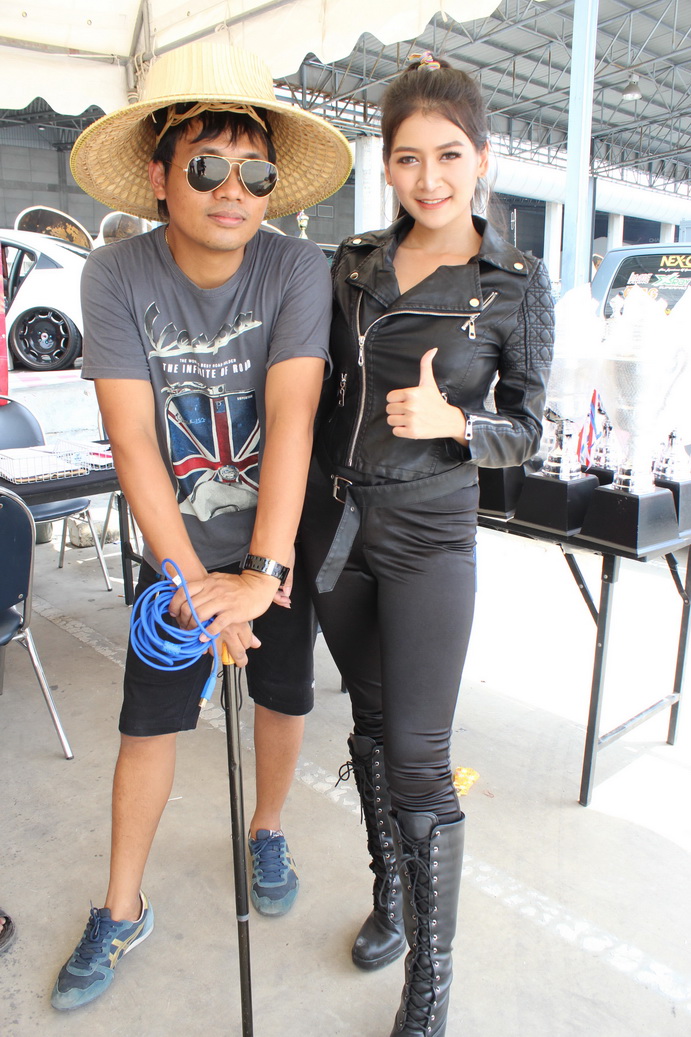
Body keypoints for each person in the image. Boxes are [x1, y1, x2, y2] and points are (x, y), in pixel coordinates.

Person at [51, 37, 351, 1011]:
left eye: (255, 172)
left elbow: (293, 418)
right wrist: (189, 584)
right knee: (148, 720)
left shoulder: (296, 268)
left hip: (275, 540)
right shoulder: (116, 274)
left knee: (282, 696)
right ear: (158, 174)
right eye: (207, 166)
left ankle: (267, 827)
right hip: (175, 548)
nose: (233, 190)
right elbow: (134, 440)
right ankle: (121, 905)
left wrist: (261, 574)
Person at [299, 52, 554, 1037]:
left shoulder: (513, 283)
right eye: (408, 158)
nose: (430, 178)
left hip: (430, 533)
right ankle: (391, 896)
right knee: (367, 728)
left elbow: (528, 430)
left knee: (418, 757)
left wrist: (457, 424)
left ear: (482, 158)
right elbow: (312, 387)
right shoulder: (353, 262)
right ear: (387, 165)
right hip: (337, 527)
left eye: (449, 155)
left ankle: (430, 978)